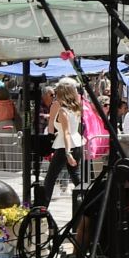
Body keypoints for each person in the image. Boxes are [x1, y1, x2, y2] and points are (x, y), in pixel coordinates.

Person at [38, 77, 86, 207]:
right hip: (77, 143)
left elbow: (65, 132)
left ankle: (43, 207)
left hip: (65, 145)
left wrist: (67, 152)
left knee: (50, 178)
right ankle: (88, 202)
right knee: (75, 176)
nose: (54, 95)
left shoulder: (62, 110)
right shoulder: (76, 107)